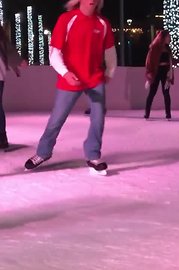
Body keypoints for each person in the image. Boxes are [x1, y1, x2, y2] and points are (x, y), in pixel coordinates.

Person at [24, 0, 116, 176]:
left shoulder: (103, 24)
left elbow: (110, 52)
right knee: (56, 119)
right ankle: (43, 153)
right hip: (70, 78)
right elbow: (55, 52)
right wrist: (65, 73)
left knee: (98, 118)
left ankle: (93, 155)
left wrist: (109, 73)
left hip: (94, 79)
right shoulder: (67, 19)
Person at [144, 30, 179, 120]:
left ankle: (168, 114)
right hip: (156, 72)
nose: (169, 38)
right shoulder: (155, 47)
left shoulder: (168, 48)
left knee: (166, 93)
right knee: (152, 92)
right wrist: (149, 73)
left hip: (166, 72)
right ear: (163, 37)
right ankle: (147, 113)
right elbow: (149, 61)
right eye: (168, 36)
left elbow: (171, 60)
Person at [0, 25, 26, 149]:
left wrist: (17, 63)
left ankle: (1, 138)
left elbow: (8, 52)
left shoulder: (2, 39)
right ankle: (2, 138)